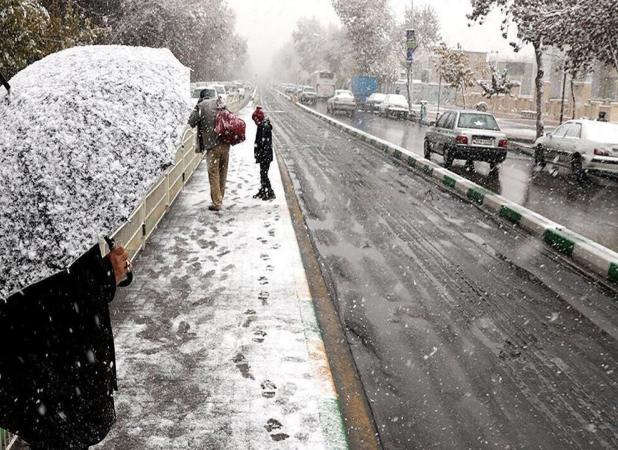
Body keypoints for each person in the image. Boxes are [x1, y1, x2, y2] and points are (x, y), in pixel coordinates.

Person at [0, 243, 130, 449]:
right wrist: (107, 274)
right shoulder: (51, 231)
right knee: (62, 434)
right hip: (63, 365)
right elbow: (68, 294)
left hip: (32, 367)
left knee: (51, 433)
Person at [189, 94, 231, 211]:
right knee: (223, 171)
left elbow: (191, 122)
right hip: (226, 144)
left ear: (201, 97)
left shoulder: (201, 106)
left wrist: (195, 108)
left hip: (213, 146)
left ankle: (217, 202)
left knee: (213, 173)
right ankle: (220, 197)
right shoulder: (219, 103)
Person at [252, 106, 275, 201]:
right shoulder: (262, 125)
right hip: (264, 154)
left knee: (264, 174)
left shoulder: (264, 127)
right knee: (262, 173)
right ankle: (263, 190)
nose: (255, 122)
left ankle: (269, 192)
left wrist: (261, 154)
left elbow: (264, 143)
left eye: (255, 119)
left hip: (265, 155)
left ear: (259, 118)